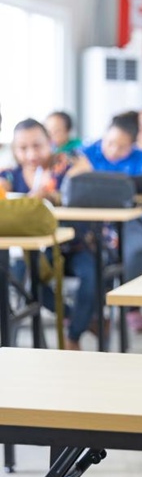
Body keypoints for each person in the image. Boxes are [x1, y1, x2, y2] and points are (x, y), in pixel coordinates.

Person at [0, 119, 95, 351]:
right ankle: (78, 317)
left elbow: (86, 174)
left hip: (74, 246)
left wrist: (57, 190)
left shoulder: (65, 165)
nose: (31, 154)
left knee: (90, 279)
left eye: (37, 145)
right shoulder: (10, 175)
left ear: (50, 143)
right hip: (33, 252)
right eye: (23, 148)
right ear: (14, 149)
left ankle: (73, 335)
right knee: (24, 281)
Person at [83, 111, 142, 331]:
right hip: (91, 220)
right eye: (110, 142)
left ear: (132, 145)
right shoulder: (87, 153)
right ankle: (94, 312)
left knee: (136, 249)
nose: (113, 150)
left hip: (129, 220)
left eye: (121, 146)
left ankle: (131, 307)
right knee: (90, 254)